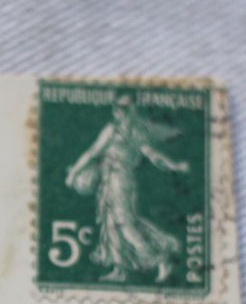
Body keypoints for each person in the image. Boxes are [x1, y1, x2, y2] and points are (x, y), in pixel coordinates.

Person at [64, 93, 191, 284]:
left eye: (125, 108)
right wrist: (74, 171)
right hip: (108, 180)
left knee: (125, 223)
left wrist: (174, 166)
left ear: (132, 111)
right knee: (111, 224)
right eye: (118, 107)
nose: (120, 111)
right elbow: (93, 152)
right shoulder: (111, 129)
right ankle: (120, 269)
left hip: (121, 180)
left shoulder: (138, 132)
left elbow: (153, 156)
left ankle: (160, 259)